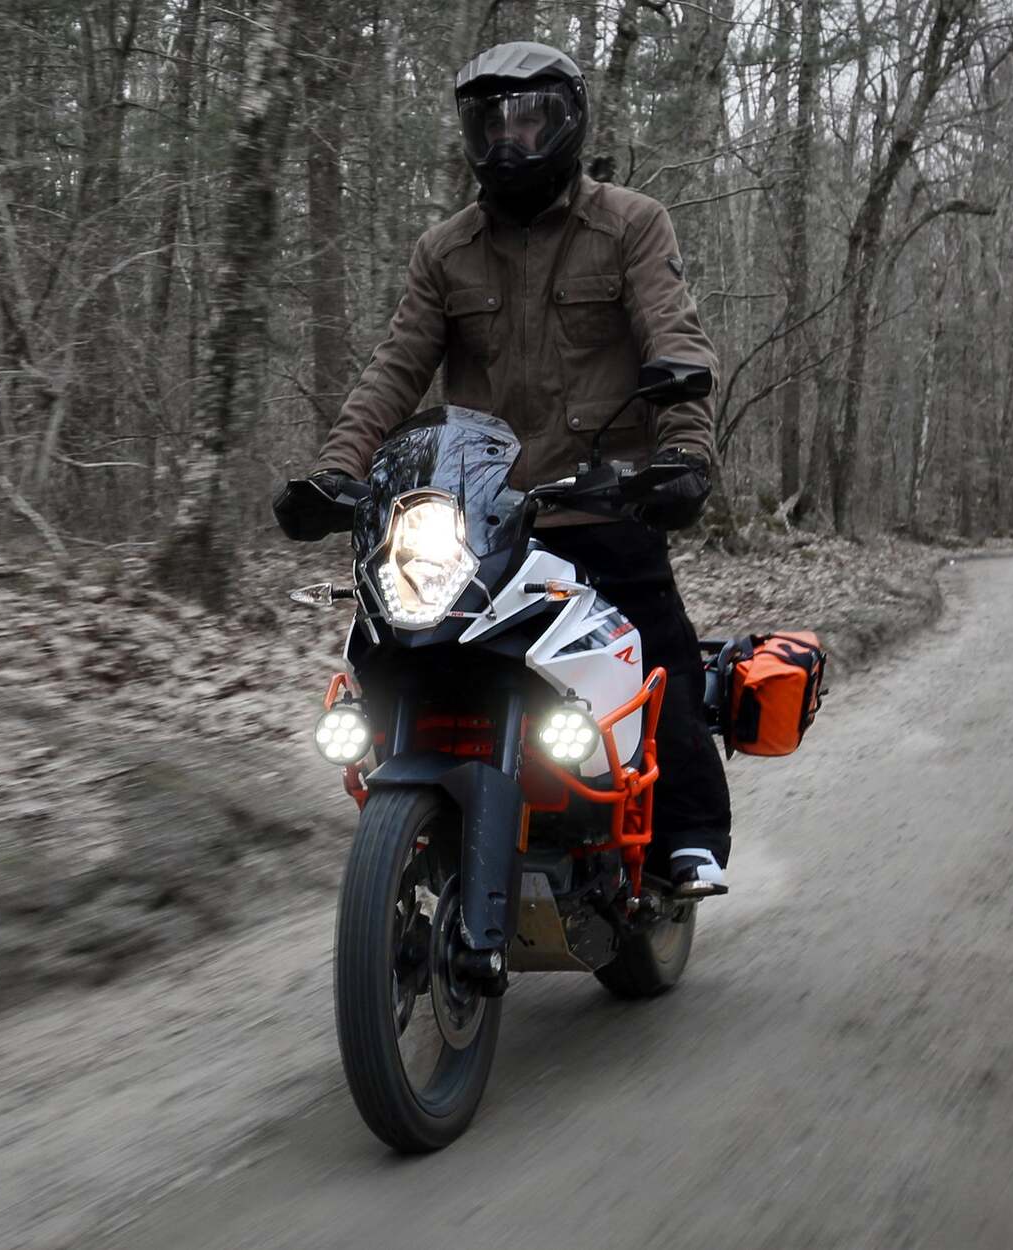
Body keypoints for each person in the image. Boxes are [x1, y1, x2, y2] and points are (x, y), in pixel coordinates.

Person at [275, 41, 731, 896]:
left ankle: (688, 837)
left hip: (599, 505)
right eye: (490, 121)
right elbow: (394, 368)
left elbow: (674, 340)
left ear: (568, 119)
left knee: (654, 655)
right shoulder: (445, 249)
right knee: (395, 645)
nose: (508, 138)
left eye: (528, 117)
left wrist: (682, 457)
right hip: (476, 519)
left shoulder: (629, 224)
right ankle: (414, 814)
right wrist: (338, 473)